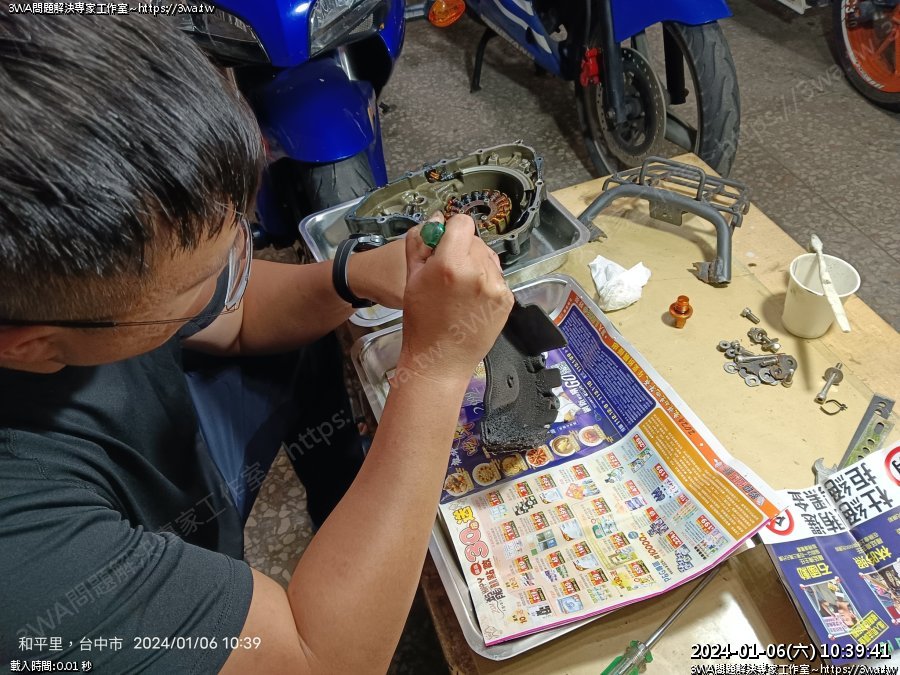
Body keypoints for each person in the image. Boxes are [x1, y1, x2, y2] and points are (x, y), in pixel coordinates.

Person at [0, 13, 513, 674]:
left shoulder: (71, 279)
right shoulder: (28, 561)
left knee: (301, 348)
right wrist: (438, 368)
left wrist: (353, 275)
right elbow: (318, 661)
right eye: (197, 281)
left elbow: (235, 313)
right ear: (31, 347)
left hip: (164, 464)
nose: (232, 276)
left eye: (236, 241)